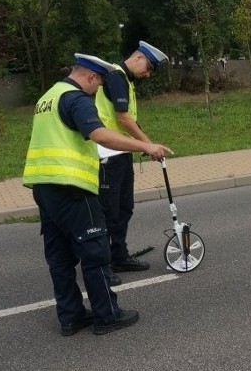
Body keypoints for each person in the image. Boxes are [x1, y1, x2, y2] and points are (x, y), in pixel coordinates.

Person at [22, 53, 173, 336]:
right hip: (72, 187)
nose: (99, 89)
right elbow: (100, 134)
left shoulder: (48, 96)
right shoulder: (75, 98)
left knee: (60, 256)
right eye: (99, 83)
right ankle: (107, 315)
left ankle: (71, 316)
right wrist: (146, 146)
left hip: (43, 186)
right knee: (95, 250)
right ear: (91, 77)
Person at [95, 41, 168, 275]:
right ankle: (103, 267)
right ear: (137, 57)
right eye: (147, 68)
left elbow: (130, 120)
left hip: (122, 151)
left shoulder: (125, 80)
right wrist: (148, 146)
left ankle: (119, 256)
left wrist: (145, 145)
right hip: (107, 154)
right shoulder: (115, 76)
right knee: (108, 212)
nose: (147, 75)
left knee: (124, 208)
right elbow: (123, 119)